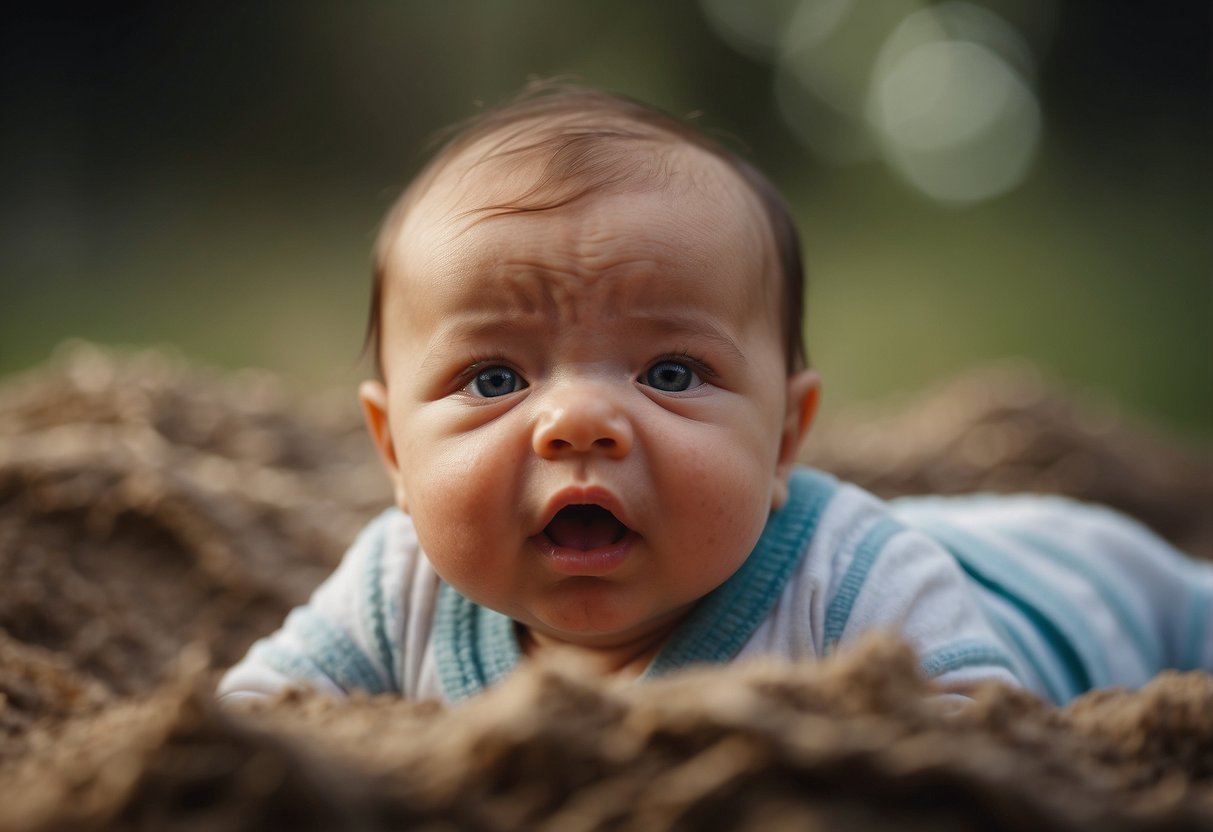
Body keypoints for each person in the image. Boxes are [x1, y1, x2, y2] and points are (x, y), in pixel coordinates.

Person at [218, 82, 1213, 707]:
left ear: (784, 435)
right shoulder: (399, 589)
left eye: (668, 373)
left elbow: (985, 739)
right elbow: (248, 725)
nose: (577, 421)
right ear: (393, 451)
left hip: (1090, 583)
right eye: (493, 378)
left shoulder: (858, 584)